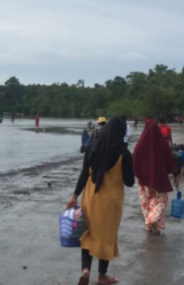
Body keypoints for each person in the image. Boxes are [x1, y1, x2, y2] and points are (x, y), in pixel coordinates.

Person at [67, 117, 133, 285]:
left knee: (87, 233)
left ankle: (85, 270)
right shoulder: (124, 154)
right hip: (110, 202)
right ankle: (102, 276)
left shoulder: (92, 148)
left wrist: (74, 196)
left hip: (90, 198)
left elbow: (83, 174)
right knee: (106, 237)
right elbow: (129, 182)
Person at [133, 119, 179, 235]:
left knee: (146, 203)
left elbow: (134, 160)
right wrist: (175, 175)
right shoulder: (163, 144)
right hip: (159, 179)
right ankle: (153, 221)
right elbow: (170, 160)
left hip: (143, 180)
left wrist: (137, 174)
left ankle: (149, 225)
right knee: (161, 200)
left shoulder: (140, 143)